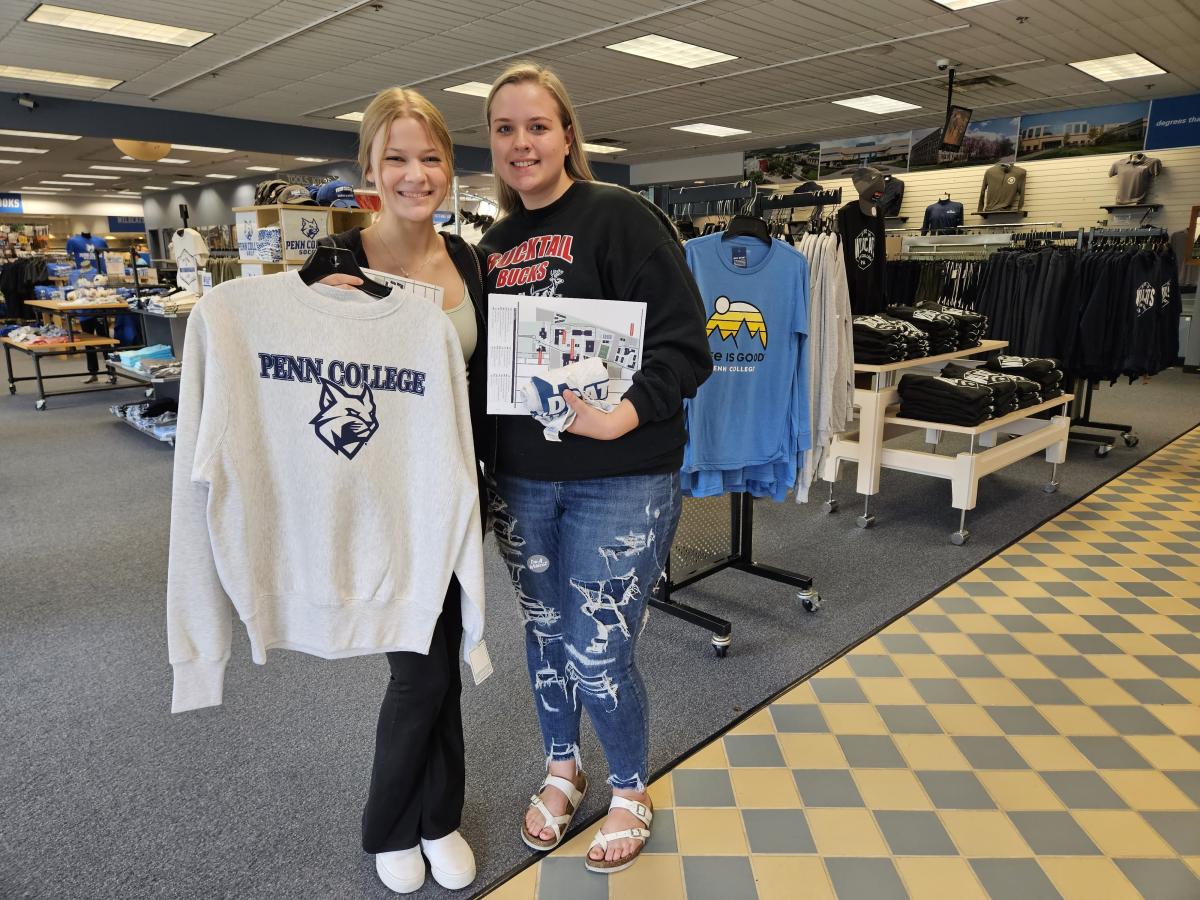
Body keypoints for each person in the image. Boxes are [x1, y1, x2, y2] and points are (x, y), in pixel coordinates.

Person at [479, 62, 712, 874]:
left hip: (623, 479)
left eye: (536, 126)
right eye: (504, 129)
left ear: (567, 135)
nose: (521, 143)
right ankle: (561, 767)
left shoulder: (623, 218)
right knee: (545, 636)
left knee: (599, 648)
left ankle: (629, 788)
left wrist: (623, 412)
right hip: (523, 479)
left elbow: (688, 348)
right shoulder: (493, 247)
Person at [315, 86, 490, 895]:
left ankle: (437, 816)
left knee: (444, 657)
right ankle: (396, 823)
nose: (416, 175)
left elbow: (482, 379)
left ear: (448, 168)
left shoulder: (471, 261)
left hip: (456, 493)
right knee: (417, 668)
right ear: (369, 170)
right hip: (380, 498)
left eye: (430, 158)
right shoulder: (335, 264)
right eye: (397, 159)